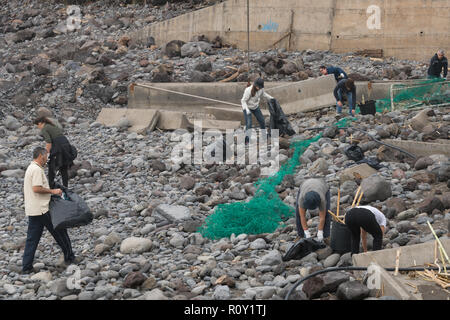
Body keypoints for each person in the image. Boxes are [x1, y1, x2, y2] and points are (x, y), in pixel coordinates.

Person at [22, 147, 75, 274]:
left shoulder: (31, 168)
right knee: (60, 231)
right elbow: (36, 188)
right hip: (42, 209)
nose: (47, 159)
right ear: (41, 156)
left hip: (33, 209)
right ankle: (70, 258)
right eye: (46, 156)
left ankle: (26, 267)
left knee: (32, 239)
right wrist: (53, 191)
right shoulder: (36, 170)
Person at [33, 116, 75, 188]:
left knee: (51, 165)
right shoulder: (51, 125)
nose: (38, 128)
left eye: (37, 126)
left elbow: (49, 143)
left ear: (40, 123)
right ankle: (66, 186)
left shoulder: (45, 128)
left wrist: (47, 154)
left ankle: (50, 186)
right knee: (63, 166)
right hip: (66, 144)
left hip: (58, 146)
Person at [241, 78, 274, 144]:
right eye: (257, 86)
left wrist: (271, 98)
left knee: (262, 121)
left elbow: (264, 94)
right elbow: (243, 101)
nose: (258, 88)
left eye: (260, 87)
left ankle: (265, 137)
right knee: (249, 124)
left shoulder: (261, 89)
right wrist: (247, 110)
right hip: (247, 108)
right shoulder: (248, 90)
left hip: (255, 107)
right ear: (255, 85)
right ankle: (247, 140)